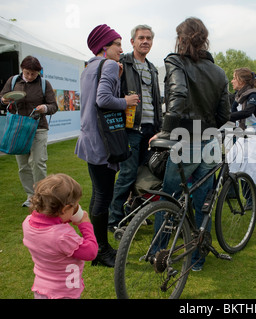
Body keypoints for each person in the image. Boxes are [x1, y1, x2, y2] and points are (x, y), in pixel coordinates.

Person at [150, 17, 230, 271]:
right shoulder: (218, 72)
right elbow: (224, 115)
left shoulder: (176, 61)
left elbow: (178, 95)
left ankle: (157, 252)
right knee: (202, 202)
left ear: (181, 38)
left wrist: (165, 131)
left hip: (186, 140)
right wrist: (206, 128)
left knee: (169, 198)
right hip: (208, 140)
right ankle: (196, 259)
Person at [75, 24, 140, 267]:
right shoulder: (110, 65)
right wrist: (127, 100)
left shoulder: (89, 67)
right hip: (103, 142)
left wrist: (118, 80)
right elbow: (103, 100)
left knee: (98, 194)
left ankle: (95, 244)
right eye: (117, 45)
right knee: (104, 195)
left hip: (90, 139)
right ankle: (101, 250)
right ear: (104, 47)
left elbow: (95, 99)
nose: (121, 50)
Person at [108, 24, 162, 231]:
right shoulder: (122, 63)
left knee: (144, 175)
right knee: (128, 174)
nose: (145, 41)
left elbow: (156, 101)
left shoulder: (152, 68)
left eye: (149, 38)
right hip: (131, 129)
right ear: (133, 41)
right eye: (141, 38)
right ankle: (114, 220)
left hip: (151, 130)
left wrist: (159, 127)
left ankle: (135, 213)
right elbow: (110, 94)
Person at [22, 174, 98, 299]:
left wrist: (63, 220)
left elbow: (48, 227)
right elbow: (90, 252)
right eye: (74, 207)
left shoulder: (28, 223)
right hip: (64, 292)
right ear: (66, 208)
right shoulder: (63, 236)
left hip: (42, 290)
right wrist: (85, 225)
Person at [0, 56, 58, 207]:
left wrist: (44, 108)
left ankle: (41, 197)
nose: (30, 76)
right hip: (18, 128)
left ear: (38, 72)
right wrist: (4, 100)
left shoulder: (44, 84)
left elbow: (53, 106)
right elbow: (2, 97)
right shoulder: (13, 81)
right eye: (27, 73)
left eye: (33, 74)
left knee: (38, 162)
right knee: (23, 165)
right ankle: (31, 196)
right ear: (22, 70)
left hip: (38, 127)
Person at [228, 67, 256, 188]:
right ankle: (230, 192)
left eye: (234, 78)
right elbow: (233, 111)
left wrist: (226, 117)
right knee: (231, 160)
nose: (232, 81)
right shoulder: (239, 95)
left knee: (248, 168)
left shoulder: (253, 94)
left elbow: (248, 112)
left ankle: (251, 200)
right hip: (247, 132)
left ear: (241, 81)